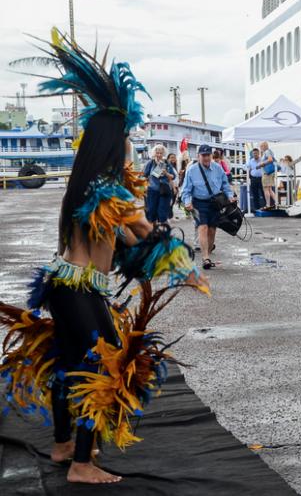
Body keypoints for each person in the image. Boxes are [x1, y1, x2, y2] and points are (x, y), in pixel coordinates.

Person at [0, 30, 205, 484]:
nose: (131, 143)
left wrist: (147, 243)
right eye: (127, 137)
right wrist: (185, 268)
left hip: (67, 283)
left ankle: (60, 444)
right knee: (106, 364)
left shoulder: (86, 186)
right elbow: (147, 234)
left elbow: (126, 246)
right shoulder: (110, 190)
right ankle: (81, 463)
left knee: (69, 358)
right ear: (115, 144)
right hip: (78, 289)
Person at [181, 144, 235, 269]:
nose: (206, 158)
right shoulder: (192, 170)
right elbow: (186, 190)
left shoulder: (218, 168)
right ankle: (205, 257)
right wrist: (187, 202)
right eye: (203, 155)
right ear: (198, 156)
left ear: (211, 155)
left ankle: (208, 254)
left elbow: (225, 185)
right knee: (203, 227)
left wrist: (230, 195)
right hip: (199, 203)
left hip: (215, 203)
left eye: (208, 155)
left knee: (212, 230)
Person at [143, 144, 177, 225]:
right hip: (152, 191)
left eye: (161, 153)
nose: (159, 155)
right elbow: (144, 176)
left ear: (163, 154)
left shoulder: (166, 163)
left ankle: (163, 232)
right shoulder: (150, 163)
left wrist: (166, 173)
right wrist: (145, 187)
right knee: (152, 213)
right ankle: (153, 232)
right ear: (154, 153)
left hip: (164, 191)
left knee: (162, 213)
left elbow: (173, 176)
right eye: (157, 153)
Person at [259, 141, 277, 208]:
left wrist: (262, 164)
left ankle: (268, 204)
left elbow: (270, 159)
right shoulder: (269, 151)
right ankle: (276, 202)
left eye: (261, 146)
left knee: (266, 189)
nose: (260, 148)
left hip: (267, 173)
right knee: (269, 189)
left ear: (264, 146)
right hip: (269, 172)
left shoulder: (267, 152)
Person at [246, 147, 265, 212]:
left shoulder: (262, 160)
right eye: (254, 153)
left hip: (261, 178)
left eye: (256, 153)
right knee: (255, 194)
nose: (255, 154)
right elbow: (246, 167)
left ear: (258, 153)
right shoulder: (250, 161)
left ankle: (266, 207)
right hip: (253, 179)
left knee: (264, 192)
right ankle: (257, 208)